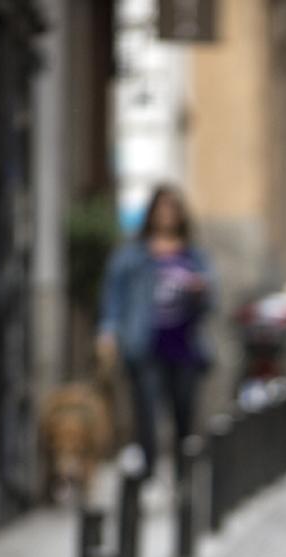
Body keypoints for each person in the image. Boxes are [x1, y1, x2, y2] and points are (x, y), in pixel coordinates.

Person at [97, 184, 216, 479]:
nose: (167, 215)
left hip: (184, 344)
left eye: (172, 208)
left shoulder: (194, 256)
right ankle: (147, 477)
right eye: (161, 208)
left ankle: (182, 477)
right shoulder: (132, 255)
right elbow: (113, 295)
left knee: (183, 412)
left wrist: (200, 290)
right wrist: (109, 330)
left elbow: (213, 300)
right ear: (151, 213)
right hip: (144, 343)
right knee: (147, 413)